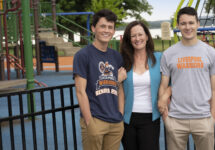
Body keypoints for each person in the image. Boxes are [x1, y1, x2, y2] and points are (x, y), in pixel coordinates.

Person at [158, 7, 215, 150]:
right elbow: (163, 87)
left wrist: (211, 120)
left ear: (198, 24)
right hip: (176, 119)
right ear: (178, 26)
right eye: (183, 23)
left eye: (191, 23)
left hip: (203, 118)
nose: (187, 27)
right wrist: (166, 119)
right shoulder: (168, 54)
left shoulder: (211, 53)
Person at [73, 9, 127, 150]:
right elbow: (80, 91)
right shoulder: (83, 55)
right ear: (93, 28)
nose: (106, 30)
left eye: (110, 27)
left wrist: (120, 114)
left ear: (114, 31)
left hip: (115, 122)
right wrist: (89, 122)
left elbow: (120, 87)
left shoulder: (116, 57)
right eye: (102, 26)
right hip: (95, 120)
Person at [120, 21, 171, 150]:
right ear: (129, 39)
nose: (137, 39)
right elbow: (115, 87)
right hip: (127, 119)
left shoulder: (159, 58)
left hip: (150, 118)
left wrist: (164, 97)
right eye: (133, 36)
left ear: (147, 37)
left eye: (140, 34)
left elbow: (173, 83)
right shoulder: (123, 60)